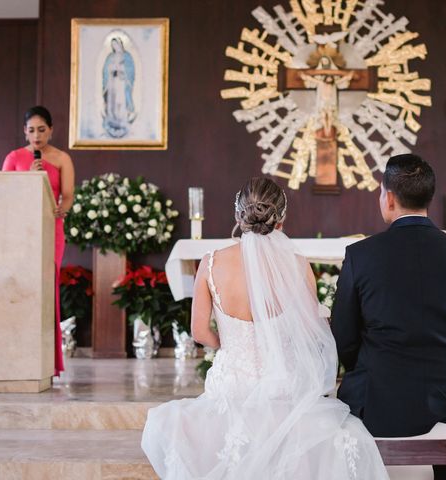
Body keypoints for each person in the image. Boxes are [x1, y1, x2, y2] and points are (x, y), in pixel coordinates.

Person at [142, 178, 388, 479]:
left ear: (238, 216)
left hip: (232, 386)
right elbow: (312, 332)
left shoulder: (210, 264)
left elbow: (198, 332)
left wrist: (231, 345)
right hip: (283, 385)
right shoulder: (298, 265)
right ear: (281, 219)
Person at [331, 153, 446, 480]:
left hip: (378, 398)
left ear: (388, 198)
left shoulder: (360, 255)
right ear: (428, 197)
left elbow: (343, 336)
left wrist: (368, 367)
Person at [2, 106, 75, 376]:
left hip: (50, 227)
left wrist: (63, 209)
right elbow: (4, 194)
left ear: (51, 130)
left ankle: (49, 362)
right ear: (24, 131)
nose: (36, 136)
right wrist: (29, 176)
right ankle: (16, 356)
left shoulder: (61, 159)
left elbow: (66, 195)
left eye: (41, 130)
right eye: (31, 130)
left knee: (47, 288)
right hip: (19, 231)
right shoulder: (14, 157)